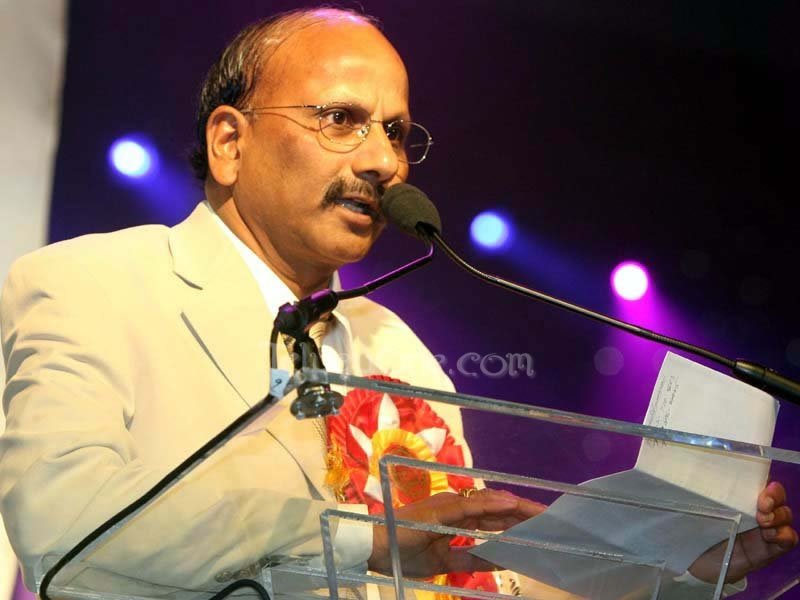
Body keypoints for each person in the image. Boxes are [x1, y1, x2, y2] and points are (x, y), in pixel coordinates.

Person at [0, 7, 794, 599]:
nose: (384, 161)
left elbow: (468, 581)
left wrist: (678, 566)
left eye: (395, 131)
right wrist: (366, 539)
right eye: (341, 120)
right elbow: (66, 526)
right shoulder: (89, 285)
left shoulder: (394, 348)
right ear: (230, 143)